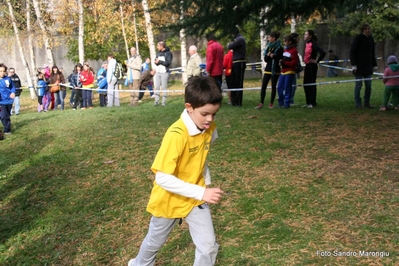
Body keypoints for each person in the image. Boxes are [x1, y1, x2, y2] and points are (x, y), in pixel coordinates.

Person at [127, 76, 224, 266]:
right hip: (168, 200)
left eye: (214, 114)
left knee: (209, 247)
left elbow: (202, 156)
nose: (210, 119)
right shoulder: (176, 135)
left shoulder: (210, 128)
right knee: (154, 243)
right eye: (205, 114)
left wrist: (205, 183)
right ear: (189, 107)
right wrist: (202, 191)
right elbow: (162, 178)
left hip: (195, 198)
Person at [350, 23, 377, 109]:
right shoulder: (358, 38)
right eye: (366, 29)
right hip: (359, 66)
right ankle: (358, 103)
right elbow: (352, 52)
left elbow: (372, 53)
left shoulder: (371, 39)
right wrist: (354, 65)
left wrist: (374, 64)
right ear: (362, 30)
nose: (368, 30)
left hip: (368, 66)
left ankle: (367, 102)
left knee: (368, 85)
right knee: (358, 84)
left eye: (369, 28)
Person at [254, 31, 283, 109]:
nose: (268, 39)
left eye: (269, 37)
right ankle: (261, 103)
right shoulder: (268, 47)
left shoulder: (279, 48)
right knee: (263, 86)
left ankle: (271, 103)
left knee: (273, 86)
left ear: (273, 38)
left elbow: (279, 58)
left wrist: (273, 56)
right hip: (268, 68)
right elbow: (266, 59)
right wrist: (268, 55)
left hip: (275, 69)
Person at [302, 29, 326, 108]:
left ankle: (312, 102)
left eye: (306, 34)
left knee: (311, 83)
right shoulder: (307, 44)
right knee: (306, 84)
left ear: (310, 36)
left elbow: (322, 52)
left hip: (312, 66)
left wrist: (317, 61)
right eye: (304, 34)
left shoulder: (313, 44)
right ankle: (308, 102)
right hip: (307, 66)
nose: (304, 36)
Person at [277, 35, 299, 108]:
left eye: (285, 41)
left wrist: (285, 63)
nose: (284, 43)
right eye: (284, 41)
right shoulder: (285, 50)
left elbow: (294, 63)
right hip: (283, 71)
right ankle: (280, 103)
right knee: (279, 87)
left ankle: (287, 103)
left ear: (290, 42)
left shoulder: (294, 51)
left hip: (290, 71)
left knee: (287, 87)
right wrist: (281, 62)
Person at [228, 26, 247, 107]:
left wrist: (230, 44)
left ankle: (238, 102)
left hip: (240, 62)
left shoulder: (240, 39)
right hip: (235, 62)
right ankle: (234, 100)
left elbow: (230, 46)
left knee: (239, 82)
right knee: (234, 82)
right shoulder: (237, 39)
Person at [153, 41, 173, 106]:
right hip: (158, 72)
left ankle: (163, 101)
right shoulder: (158, 53)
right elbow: (156, 60)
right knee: (157, 87)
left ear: (162, 46)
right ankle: (156, 101)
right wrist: (155, 62)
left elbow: (168, 63)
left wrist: (160, 61)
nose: (157, 47)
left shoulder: (168, 53)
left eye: (158, 46)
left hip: (164, 72)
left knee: (164, 87)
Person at [0, 63, 15, 135]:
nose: (2, 73)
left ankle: (7, 128)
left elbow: (12, 87)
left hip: (8, 101)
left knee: (6, 116)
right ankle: (7, 130)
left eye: (3, 71)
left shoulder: (8, 79)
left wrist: (13, 92)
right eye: (0, 71)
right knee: (3, 115)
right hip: (1, 102)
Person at [290, 32, 303, 105]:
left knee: (291, 84)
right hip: (292, 68)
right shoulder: (292, 48)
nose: (299, 40)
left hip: (291, 68)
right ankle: (290, 100)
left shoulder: (293, 47)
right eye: (298, 38)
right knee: (293, 85)